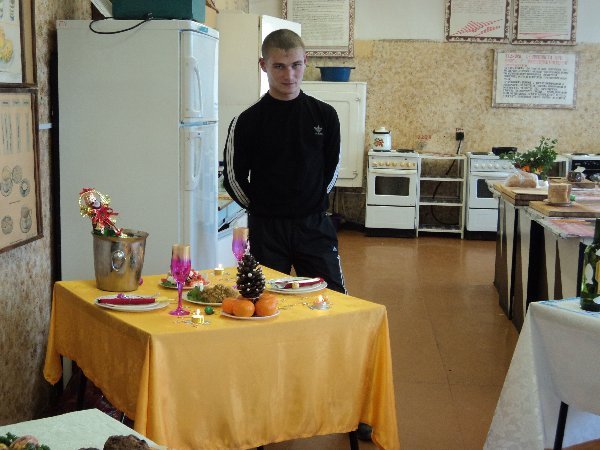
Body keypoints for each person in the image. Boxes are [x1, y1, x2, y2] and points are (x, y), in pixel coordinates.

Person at [222, 29, 346, 294]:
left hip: (314, 227)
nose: (289, 75)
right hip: (266, 230)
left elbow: (332, 168)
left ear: (305, 61)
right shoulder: (246, 121)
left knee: (332, 299)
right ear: (263, 65)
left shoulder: (325, 115)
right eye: (279, 66)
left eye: (296, 65)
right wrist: (261, 207)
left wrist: (309, 201)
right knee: (263, 301)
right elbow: (233, 177)